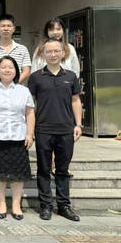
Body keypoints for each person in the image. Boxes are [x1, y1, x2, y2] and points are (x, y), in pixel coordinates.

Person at [28, 38, 83, 222]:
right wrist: (30, 130)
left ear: (62, 53)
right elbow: (30, 105)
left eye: (56, 51)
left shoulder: (71, 76)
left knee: (62, 169)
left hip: (66, 129)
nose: (52, 54)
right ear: (43, 54)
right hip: (43, 129)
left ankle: (64, 206)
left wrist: (78, 124)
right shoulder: (36, 77)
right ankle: (45, 206)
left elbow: (76, 100)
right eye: (49, 51)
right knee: (43, 169)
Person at [0, 56, 35, 220]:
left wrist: (30, 134)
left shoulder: (23, 90)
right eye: (3, 67)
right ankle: (2, 203)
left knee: (18, 174)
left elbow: (30, 113)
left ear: (16, 71)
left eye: (10, 67)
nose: (7, 70)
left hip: (18, 136)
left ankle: (16, 205)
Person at [0, 14, 31, 84]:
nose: (6, 28)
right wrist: (0, 87)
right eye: (3, 26)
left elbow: (26, 71)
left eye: (9, 26)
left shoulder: (23, 49)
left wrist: (14, 86)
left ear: (13, 29)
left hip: (18, 88)